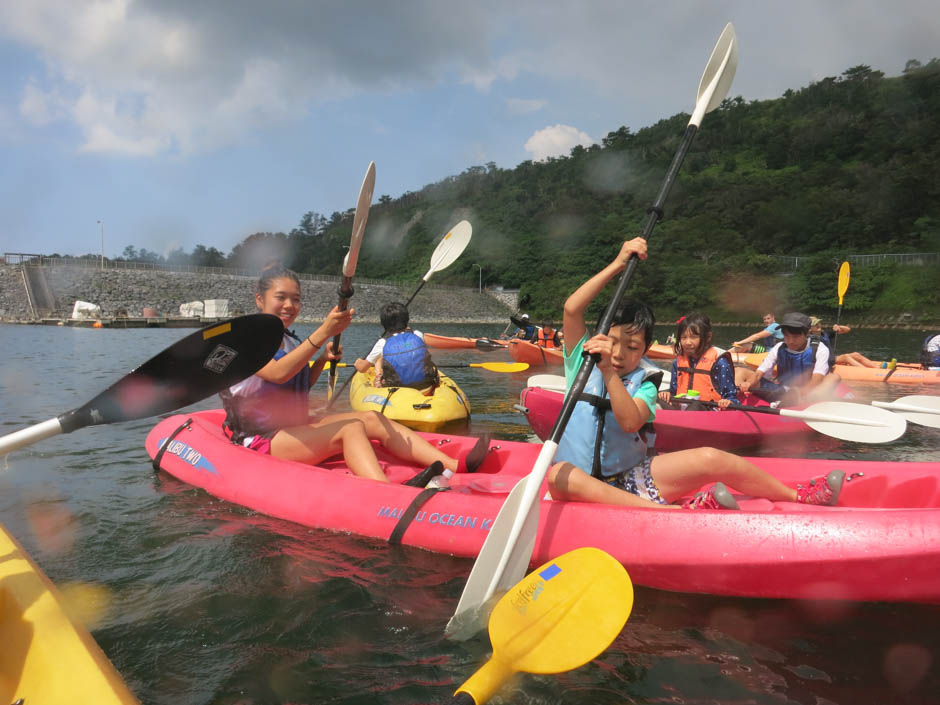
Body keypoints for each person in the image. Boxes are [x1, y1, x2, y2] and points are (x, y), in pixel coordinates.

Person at [546, 240, 844, 511]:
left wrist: (608, 372)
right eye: (612, 342)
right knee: (558, 473)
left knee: (710, 457)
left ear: (646, 349)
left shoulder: (645, 380)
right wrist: (618, 264)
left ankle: (797, 496)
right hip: (577, 483)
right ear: (599, 338)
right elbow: (572, 309)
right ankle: (670, 513)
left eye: (632, 347)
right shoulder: (580, 360)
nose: (619, 353)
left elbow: (629, 422)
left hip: (627, 478)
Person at [220, 262, 476, 486]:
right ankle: (385, 492)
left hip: (293, 428)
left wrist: (322, 359)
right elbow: (278, 374)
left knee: (372, 418)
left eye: (296, 299)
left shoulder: (290, 341)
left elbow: (297, 386)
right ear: (260, 299)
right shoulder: (245, 342)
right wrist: (324, 333)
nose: (289, 305)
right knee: (351, 429)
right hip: (262, 439)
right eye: (281, 297)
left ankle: (453, 464)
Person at [738, 312, 841, 404]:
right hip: (781, 391)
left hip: (806, 394)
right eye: (787, 336)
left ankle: (802, 404)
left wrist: (799, 393)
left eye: (796, 337)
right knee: (740, 371)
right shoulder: (779, 347)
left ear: (807, 333)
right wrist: (748, 383)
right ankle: (735, 401)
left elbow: (817, 379)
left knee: (834, 377)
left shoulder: (819, 348)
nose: (791, 341)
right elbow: (758, 374)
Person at [658, 312, 738, 410]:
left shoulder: (720, 363)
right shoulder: (677, 363)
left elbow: (732, 398)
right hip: (682, 408)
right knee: (656, 399)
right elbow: (673, 392)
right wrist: (667, 394)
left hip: (708, 410)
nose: (687, 342)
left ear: (708, 337)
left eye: (693, 337)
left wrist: (727, 401)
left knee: (695, 405)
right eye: (684, 337)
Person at [353, 302, 438, 392]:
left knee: (379, 362)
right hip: (426, 385)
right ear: (407, 320)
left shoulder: (382, 343)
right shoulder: (418, 334)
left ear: (383, 324)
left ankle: (379, 374)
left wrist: (358, 363)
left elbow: (362, 368)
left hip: (397, 389)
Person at [809, 317, 878, 368]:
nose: (818, 325)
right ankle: (866, 371)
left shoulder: (826, 333)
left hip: (832, 358)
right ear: (810, 329)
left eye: (818, 323)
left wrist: (839, 327)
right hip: (825, 360)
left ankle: (877, 368)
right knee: (846, 357)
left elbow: (847, 329)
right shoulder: (810, 338)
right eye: (815, 324)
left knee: (856, 354)